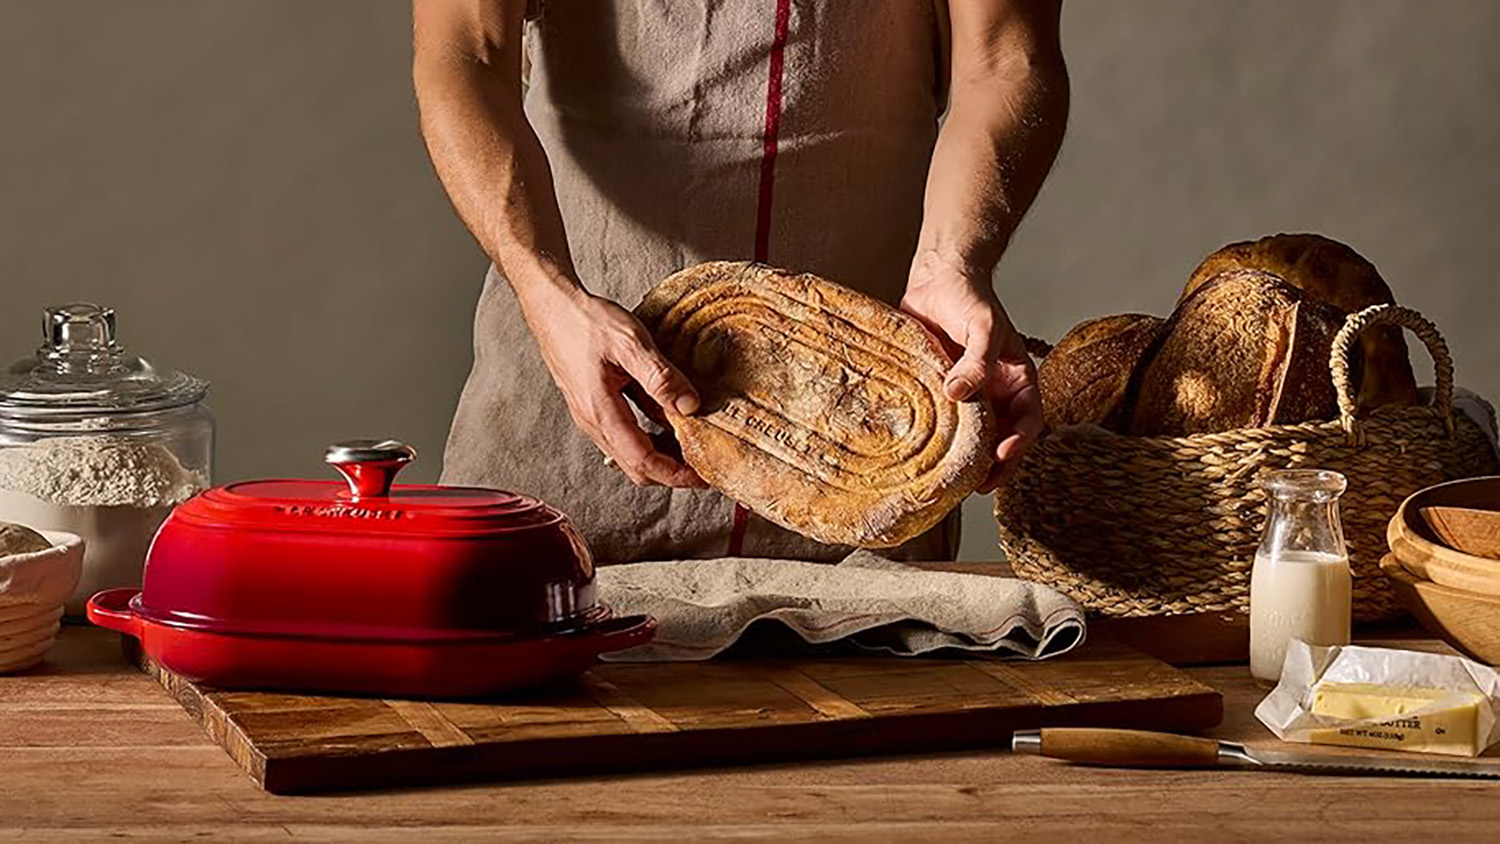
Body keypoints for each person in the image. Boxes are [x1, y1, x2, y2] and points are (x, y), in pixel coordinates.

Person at [413, 0, 1068, 562]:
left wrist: (953, 262)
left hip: (868, 448)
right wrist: (544, 287)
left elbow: (1004, 62)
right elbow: (463, 52)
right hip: (575, 414)